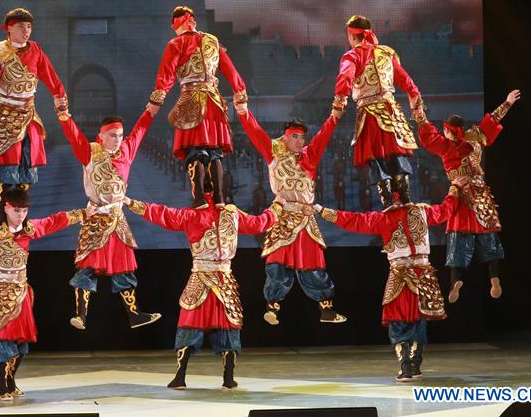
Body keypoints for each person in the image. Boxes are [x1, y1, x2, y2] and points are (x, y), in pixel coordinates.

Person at [315, 178, 467, 382]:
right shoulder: (423, 211)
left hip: (400, 274)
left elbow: (352, 220)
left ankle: (406, 367)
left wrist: (319, 209)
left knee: (398, 321)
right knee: (418, 319)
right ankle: (415, 364)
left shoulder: (382, 219)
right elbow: (447, 209)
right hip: (423, 274)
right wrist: (455, 187)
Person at [0, 188, 90, 400]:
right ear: (6, 207)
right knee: (1, 340)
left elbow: (53, 222)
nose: (21, 214)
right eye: (16, 210)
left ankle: (11, 382)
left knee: (21, 344)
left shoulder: (29, 228)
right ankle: (1, 387)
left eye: (24, 210)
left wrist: (83, 214)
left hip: (21, 290)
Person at [125, 196, 275, 390]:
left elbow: (163, 214)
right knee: (228, 327)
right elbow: (258, 224)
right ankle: (228, 379)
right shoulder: (232, 213)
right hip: (224, 282)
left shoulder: (191, 215)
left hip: (200, 280)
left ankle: (180, 377)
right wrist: (277, 208)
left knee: (189, 326)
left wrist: (131, 203)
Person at [57, 106, 161, 331]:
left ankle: (134, 315)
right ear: (101, 136)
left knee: (124, 269)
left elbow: (141, 130)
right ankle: (80, 315)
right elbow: (74, 135)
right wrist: (65, 116)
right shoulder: (89, 152)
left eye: (120, 136)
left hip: (117, 219)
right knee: (87, 268)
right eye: (113, 135)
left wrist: (151, 110)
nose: (117, 140)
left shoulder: (126, 151)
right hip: (95, 218)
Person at [240, 110, 346, 325]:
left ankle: (326, 310)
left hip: (306, 220)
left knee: (314, 267)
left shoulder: (310, 156)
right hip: (283, 217)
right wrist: (242, 110)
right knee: (278, 266)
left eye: (302, 137)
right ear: (285, 137)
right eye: (294, 137)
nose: (299, 141)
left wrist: (334, 114)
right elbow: (254, 130)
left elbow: (324, 134)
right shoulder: (273, 153)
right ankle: (272, 307)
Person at [414, 89, 520, 302]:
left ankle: (455, 281)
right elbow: (494, 118)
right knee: (489, 236)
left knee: (457, 238)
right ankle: (494, 278)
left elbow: (426, 132)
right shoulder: (475, 136)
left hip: (461, 195)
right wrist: (508, 102)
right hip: (481, 194)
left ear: (447, 130)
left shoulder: (445, 146)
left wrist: (418, 110)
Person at [147, 6, 249, 207]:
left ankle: (200, 197)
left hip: (191, 100)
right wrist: (240, 95)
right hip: (214, 102)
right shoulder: (213, 41)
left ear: (176, 24)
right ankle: (219, 196)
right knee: (214, 151)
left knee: (195, 151)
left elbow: (166, 75)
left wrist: (156, 101)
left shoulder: (176, 43)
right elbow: (230, 70)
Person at [0, 8, 68, 203]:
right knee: (7, 172)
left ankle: (22, 217)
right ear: (9, 29)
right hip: (5, 116)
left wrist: (60, 96)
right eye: (22, 27)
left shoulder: (36, 50)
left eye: (29, 27)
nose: (26, 31)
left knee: (27, 167)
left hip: (29, 115)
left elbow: (50, 75)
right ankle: (3, 217)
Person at [332, 15, 422, 208]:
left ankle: (388, 198)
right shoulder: (387, 54)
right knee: (397, 154)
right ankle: (404, 196)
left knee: (376, 157)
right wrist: (417, 107)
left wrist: (339, 105)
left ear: (351, 35)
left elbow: (344, 78)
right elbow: (407, 82)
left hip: (370, 115)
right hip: (392, 113)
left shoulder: (353, 56)